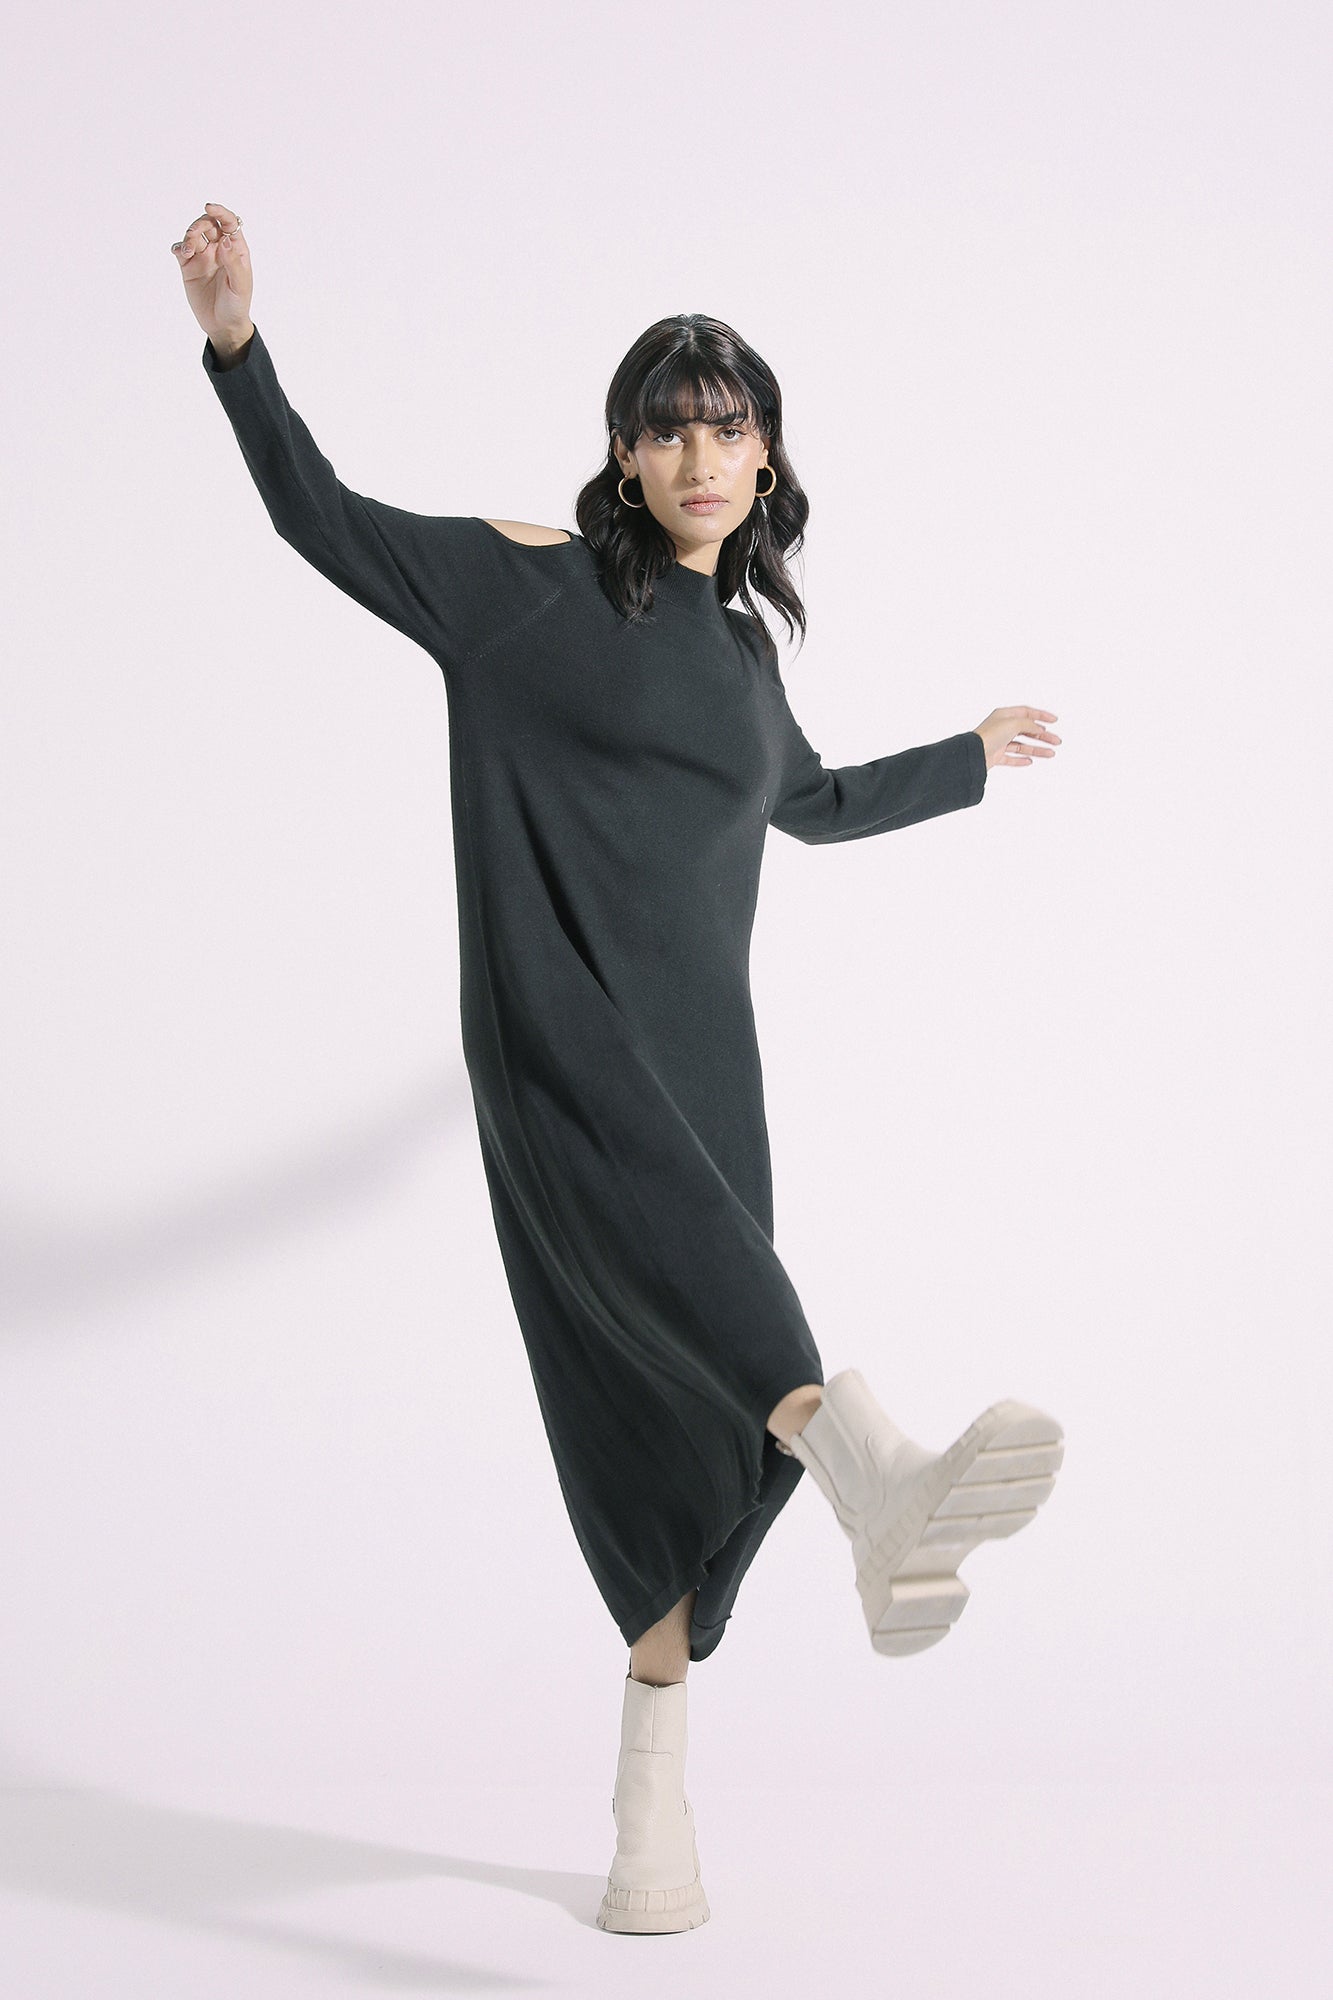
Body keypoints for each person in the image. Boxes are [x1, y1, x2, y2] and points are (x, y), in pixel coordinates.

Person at [171, 200, 1066, 1935]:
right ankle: (880, 1482)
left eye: (728, 427)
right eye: (669, 430)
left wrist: (961, 756)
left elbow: (810, 805)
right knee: (738, 1336)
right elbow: (318, 516)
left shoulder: (742, 659)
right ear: (624, 456)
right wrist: (235, 344)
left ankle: (648, 1833)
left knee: (671, 1431)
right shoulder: (529, 591)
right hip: (558, 1038)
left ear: (766, 451)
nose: (701, 457)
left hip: (707, 1071)